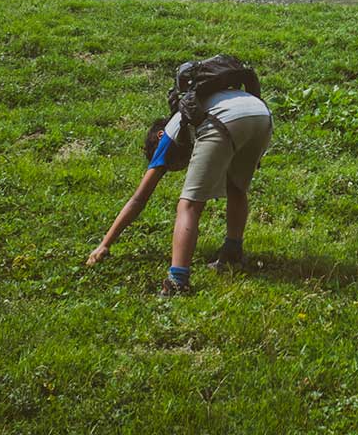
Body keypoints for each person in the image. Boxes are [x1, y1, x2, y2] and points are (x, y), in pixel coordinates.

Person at [85, 74, 274, 296]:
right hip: (261, 112)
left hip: (225, 119)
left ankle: (178, 282)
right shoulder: (193, 114)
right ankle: (232, 254)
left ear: (159, 135)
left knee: (189, 205)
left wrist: (105, 244)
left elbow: (139, 198)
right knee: (236, 187)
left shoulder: (170, 132)